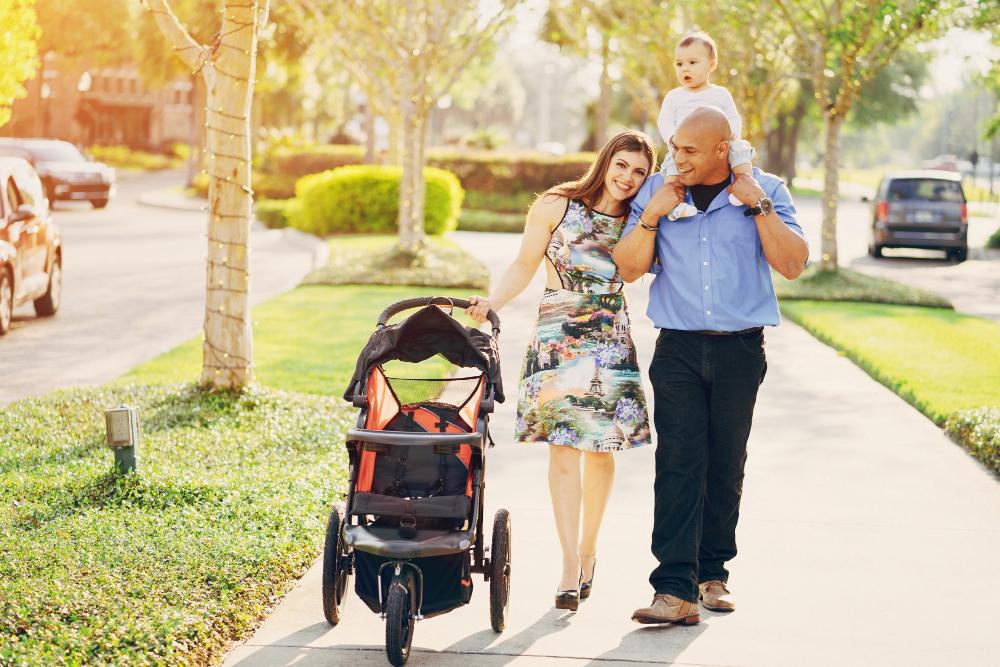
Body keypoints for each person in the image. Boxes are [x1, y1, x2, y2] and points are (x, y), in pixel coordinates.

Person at [613, 107, 808, 625]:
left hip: (740, 350)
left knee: (725, 463)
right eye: (675, 147)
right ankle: (673, 590)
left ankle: (712, 574)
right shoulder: (657, 189)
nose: (677, 158)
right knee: (678, 463)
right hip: (677, 348)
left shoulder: (764, 189)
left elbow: (792, 263)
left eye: (690, 150)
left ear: (724, 148)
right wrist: (652, 212)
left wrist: (759, 206)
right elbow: (629, 267)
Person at [466, 131, 656, 612]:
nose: (627, 178)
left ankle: (590, 549)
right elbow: (525, 263)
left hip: (610, 340)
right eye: (622, 165)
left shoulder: (639, 220)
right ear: (605, 160)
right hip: (558, 337)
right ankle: (569, 564)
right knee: (563, 452)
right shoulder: (556, 204)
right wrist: (493, 303)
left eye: (639, 172)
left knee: (601, 452)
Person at [657, 31, 756, 221]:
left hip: (716, 144)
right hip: (684, 146)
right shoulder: (674, 96)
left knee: (740, 150)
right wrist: (672, 139)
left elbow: (733, 117)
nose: (685, 69)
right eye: (679, 64)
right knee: (672, 169)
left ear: (712, 65)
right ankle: (674, 205)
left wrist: (733, 134)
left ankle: (742, 185)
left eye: (692, 62)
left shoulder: (720, 94)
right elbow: (665, 120)